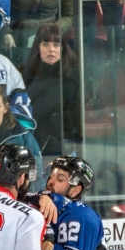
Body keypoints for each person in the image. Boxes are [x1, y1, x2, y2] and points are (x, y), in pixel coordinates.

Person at [21, 23, 81, 157]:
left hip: (67, 143)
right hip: (34, 144)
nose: (51, 50)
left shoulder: (74, 74)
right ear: (38, 47)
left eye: (56, 45)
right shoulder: (24, 73)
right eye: (46, 44)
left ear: (63, 48)